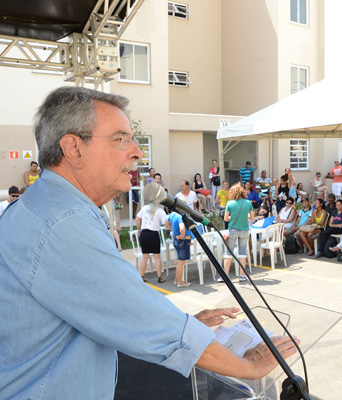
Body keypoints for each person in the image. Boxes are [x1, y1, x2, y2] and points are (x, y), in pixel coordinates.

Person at [0, 87, 298, 399]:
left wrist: (183, 325)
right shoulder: (63, 222)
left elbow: (116, 310)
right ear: (73, 148)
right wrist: (248, 365)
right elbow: (145, 319)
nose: (136, 152)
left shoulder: (45, 207)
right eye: (120, 139)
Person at [222, 183, 255, 282]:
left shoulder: (230, 203)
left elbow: (226, 219)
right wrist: (245, 217)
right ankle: (242, 275)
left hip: (233, 230)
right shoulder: (248, 203)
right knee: (242, 253)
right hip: (245, 230)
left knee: (228, 253)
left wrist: (233, 217)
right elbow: (252, 218)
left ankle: (226, 276)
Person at [136, 199, 168, 283]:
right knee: (157, 257)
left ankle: (141, 276)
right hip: (153, 234)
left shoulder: (145, 208)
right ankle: (159, 277)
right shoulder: (160, 211)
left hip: (144, 233)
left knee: (144, 257)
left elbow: (137, 218)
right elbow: (166, 223)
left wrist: (139, 229)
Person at [166, 211, 193, 287]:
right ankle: (180, 282)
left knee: (179, 261)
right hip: (183, 240)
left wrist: (173, 230)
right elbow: (182, 228)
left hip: (176, 239)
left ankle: (177, 280)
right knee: (181, 262)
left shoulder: (172, 215)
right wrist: (182, 235)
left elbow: (166, 223)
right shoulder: (180, 217)